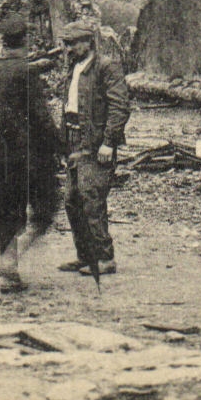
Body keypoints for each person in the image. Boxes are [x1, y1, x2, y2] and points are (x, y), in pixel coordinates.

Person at [0, 15, 63, 286]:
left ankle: (7, 262)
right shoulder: (27, 73)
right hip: (30, 156)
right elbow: (41, 118)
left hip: (0, 156)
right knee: (46, 208)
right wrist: (60, 147)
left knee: (7, 208)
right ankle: (16, 254)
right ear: (25, 41)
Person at [56, 21, 131, 276]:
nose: (70, 49)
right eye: (67, 44)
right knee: (71, 200)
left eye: (74, 43)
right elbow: (69, 107)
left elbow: (120, 107)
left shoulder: (106, 67)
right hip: (73, 141)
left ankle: (105, 258)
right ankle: (86, 255)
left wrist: (109, 142)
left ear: (88, 42)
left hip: (95, 144)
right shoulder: (74, 68)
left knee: (92, 199)